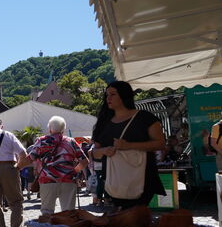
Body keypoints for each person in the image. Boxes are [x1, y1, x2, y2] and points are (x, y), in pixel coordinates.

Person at [91, 81, 166, 209]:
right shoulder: (103, 122)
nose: (108, 98)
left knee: (137, 218)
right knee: (122, 220)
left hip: (143, 180)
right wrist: (104, 150)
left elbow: (160, 144)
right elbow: (93, 153)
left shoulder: (145, 118)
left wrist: (129, 145)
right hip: (115, 182)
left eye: (113, 94)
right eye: (107, 95)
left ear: (124, 95)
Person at [26, 116, 88, 215]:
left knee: (47, 212)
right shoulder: (71, 142)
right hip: (68, 180)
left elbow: (30, 158)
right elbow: (85, 161)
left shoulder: (42, 141)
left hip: (47, 180)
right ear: (63, 129)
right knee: (69, 213)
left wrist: (16, 167)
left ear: (50, 128)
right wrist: (74, 171)